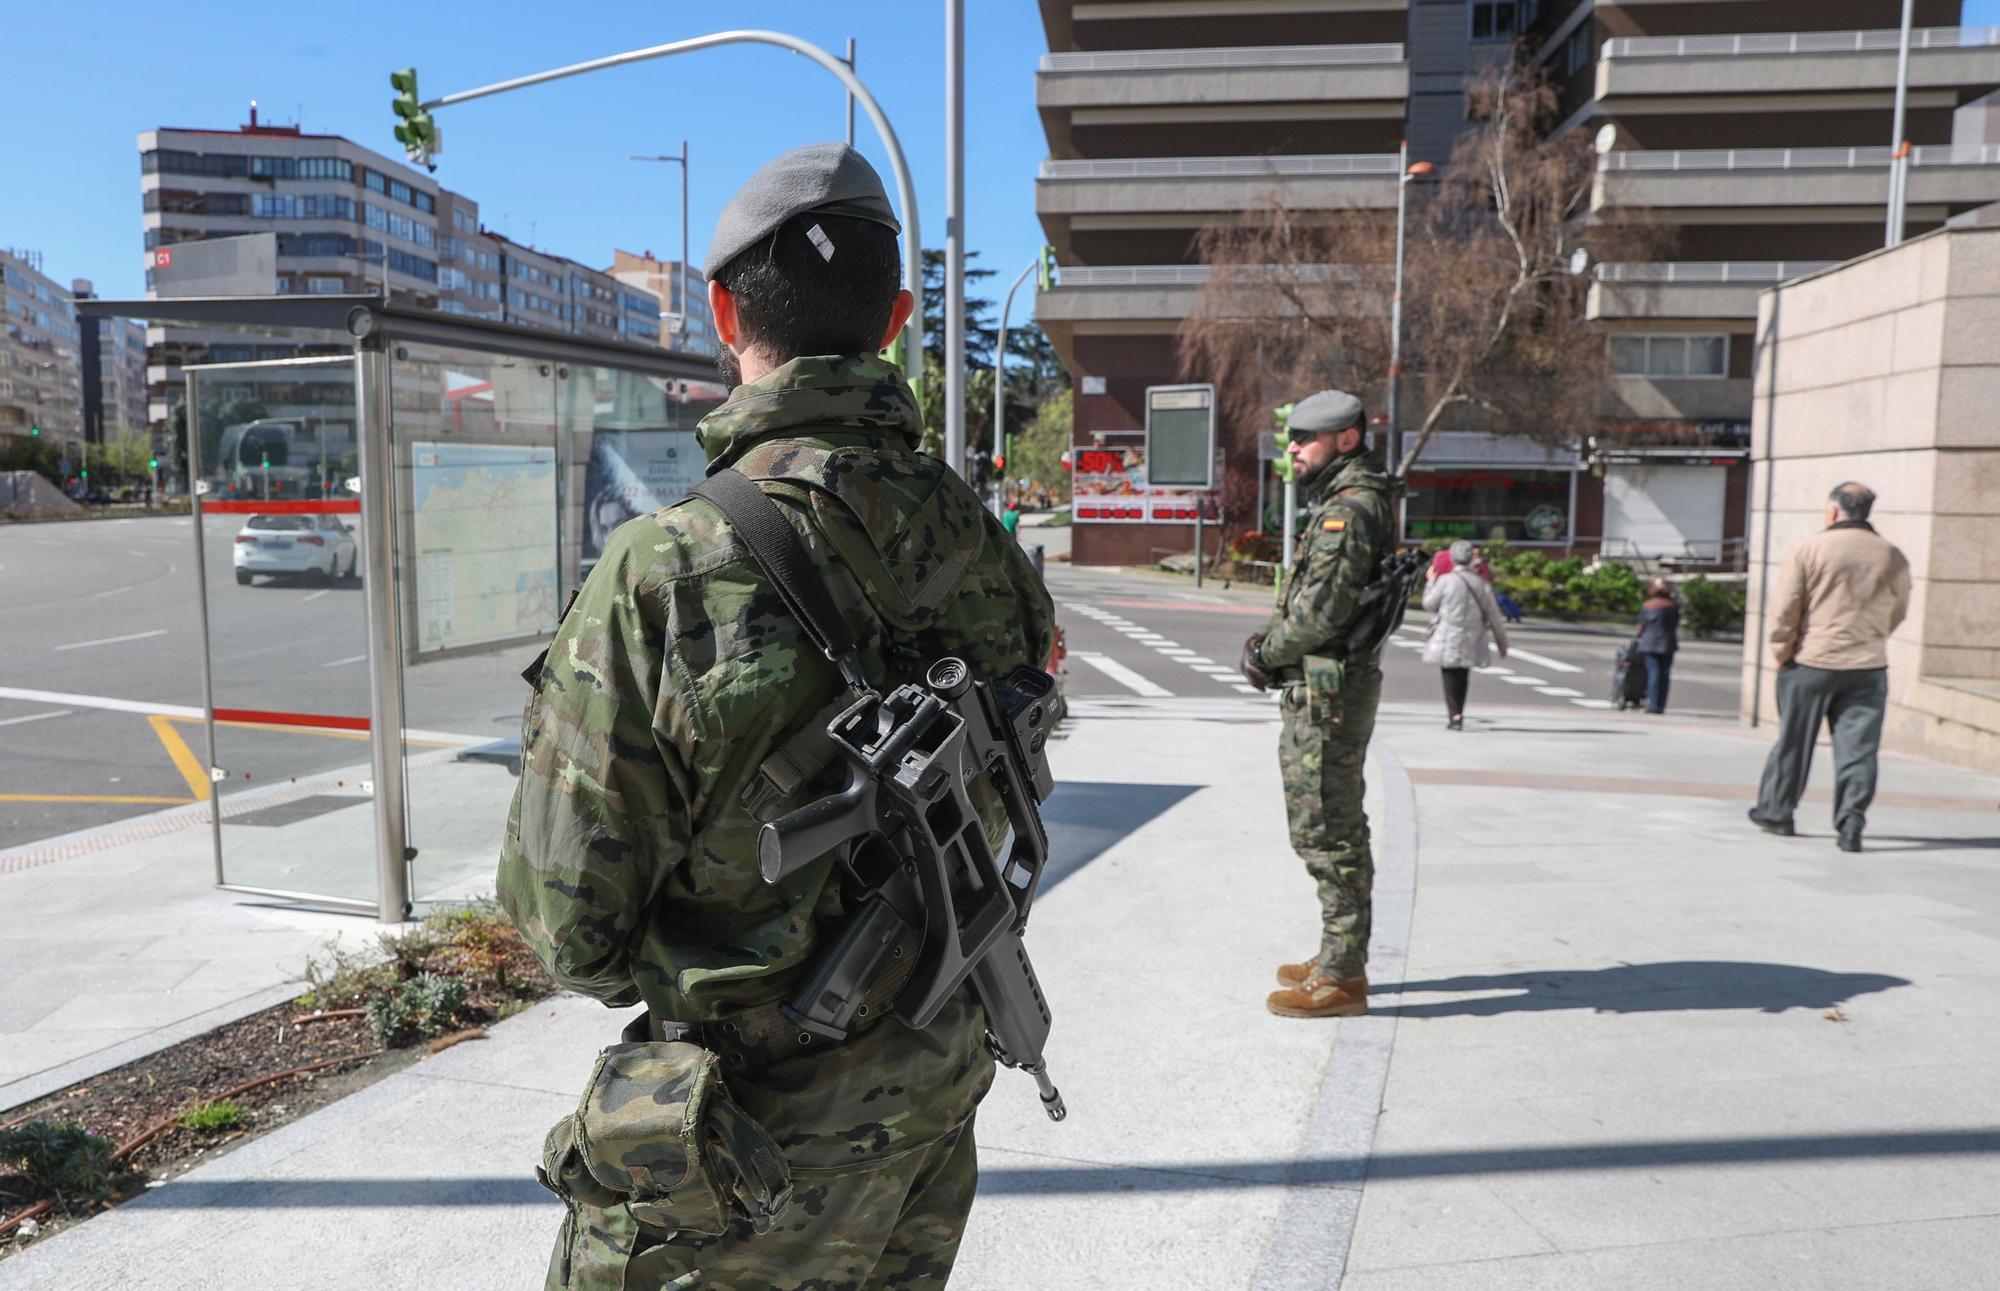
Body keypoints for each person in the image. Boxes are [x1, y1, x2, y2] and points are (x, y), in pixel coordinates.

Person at [497, 142, 1056, 1289]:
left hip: (735, 1156)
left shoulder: (664, 571)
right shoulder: (984, 544)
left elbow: (569, 929)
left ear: (718, 310)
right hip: (928, 1097)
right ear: (897, 316)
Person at [1239, 389, 1403, 1019]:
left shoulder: (1349, 512)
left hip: (1329, 694)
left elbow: (1321, 612)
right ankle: (1340, 956)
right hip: (1328, 689)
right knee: (1329, 825)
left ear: (1346, 440)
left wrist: (1265, 652)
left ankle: (1341, 974)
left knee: (1328, 832)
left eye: (1304, 439)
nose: (1294, 450)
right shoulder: (1349, 504)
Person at [1749, 481, 1911, 853]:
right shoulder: (1891, 555)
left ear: (1834, 511)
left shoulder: (1809, 548)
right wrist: (1872, 637)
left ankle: (1777, 812)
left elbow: (1787, 608)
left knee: (1794, 741)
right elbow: (1899, 609)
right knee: (1858, 748)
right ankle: (1851, 820)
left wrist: (1781, 650)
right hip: (1868, 665)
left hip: (1811, 660)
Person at [1420, 538, 1509, 730]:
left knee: (1449, 672)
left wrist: (1430, 582)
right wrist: (1502, 644)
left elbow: (1429, 604)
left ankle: (1455, 715)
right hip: (1473, 634)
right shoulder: (1481, 583)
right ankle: (1458, 712)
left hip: (1448, 632)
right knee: (1462, 673)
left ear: (1452, 558)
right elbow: (1494, 616)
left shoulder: (1445, 581)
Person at [1634, 577, 1680, 714]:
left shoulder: (1648, 605)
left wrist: (1638, 635)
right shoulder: (1673, 606)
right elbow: (1675, 624)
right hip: (1668, 643)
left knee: (1654, 672)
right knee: (1665, 674)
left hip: (1650, 643)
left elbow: (1641, 626)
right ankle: (1661, 705)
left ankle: (1652, 704)